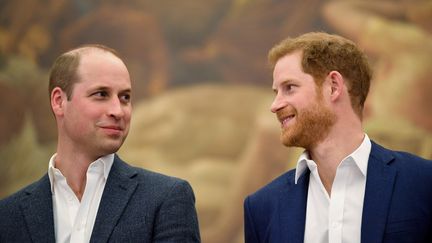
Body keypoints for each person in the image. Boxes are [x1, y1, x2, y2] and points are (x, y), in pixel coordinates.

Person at [243, 32, 432, 243]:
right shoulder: (262, 207)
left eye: (289, 88)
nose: (275, 105)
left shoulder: (423, 182)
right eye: (276, 91)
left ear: (333, 86)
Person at [0, 44, 200, 242]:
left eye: (125, 97)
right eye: (101, 94)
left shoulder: (166, 199)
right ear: (59, 101)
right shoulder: (8, 215)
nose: (118, 111)